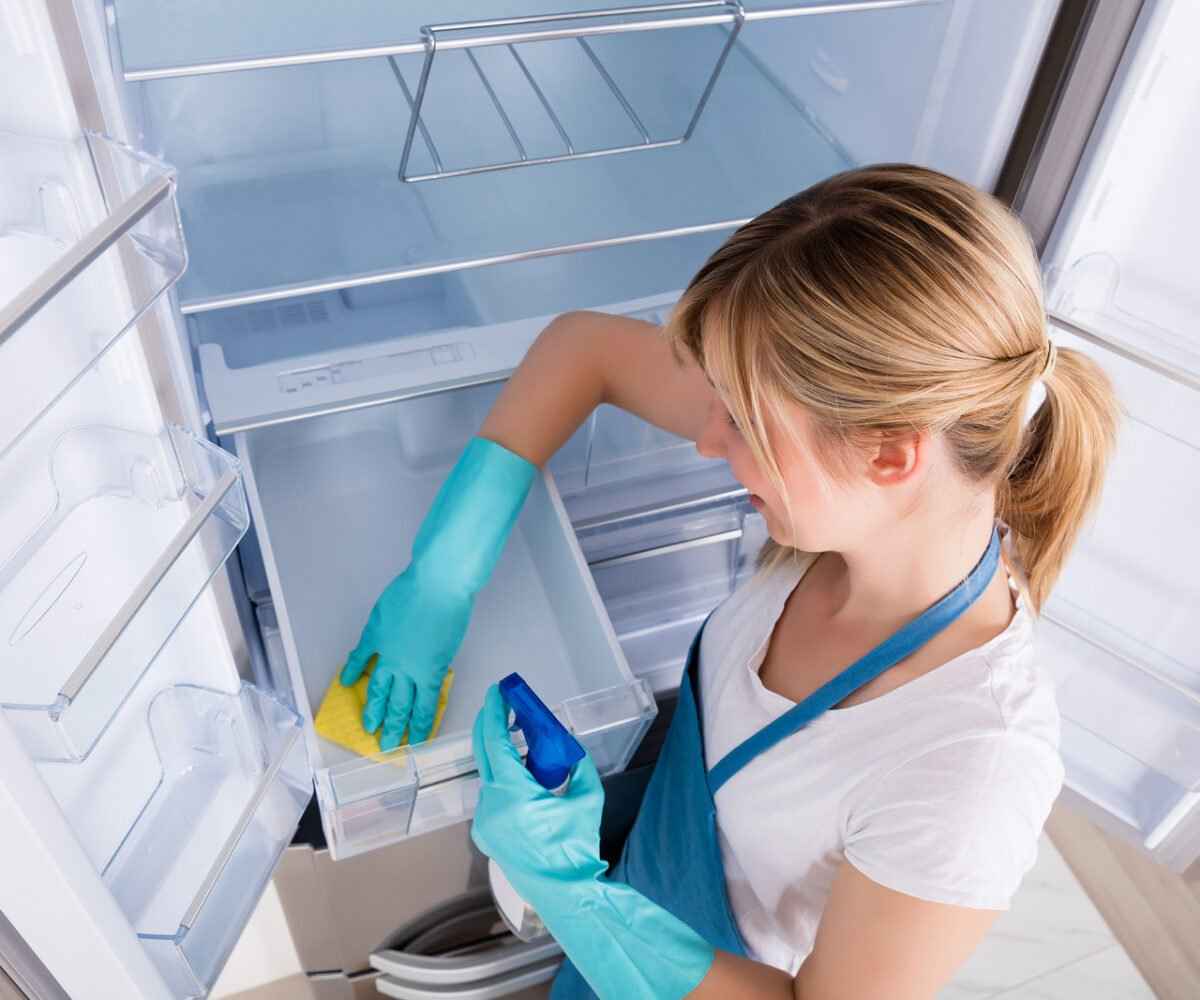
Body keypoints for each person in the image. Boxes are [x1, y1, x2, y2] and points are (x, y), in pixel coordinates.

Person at [343, 165, 1120, 998]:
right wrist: (443, 574)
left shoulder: (973, 769)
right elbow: (586, 350)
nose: (709, 440)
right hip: (636, 916)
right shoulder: (857, 502)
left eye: (742, 420)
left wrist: (576, 898)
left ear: (890, 454)